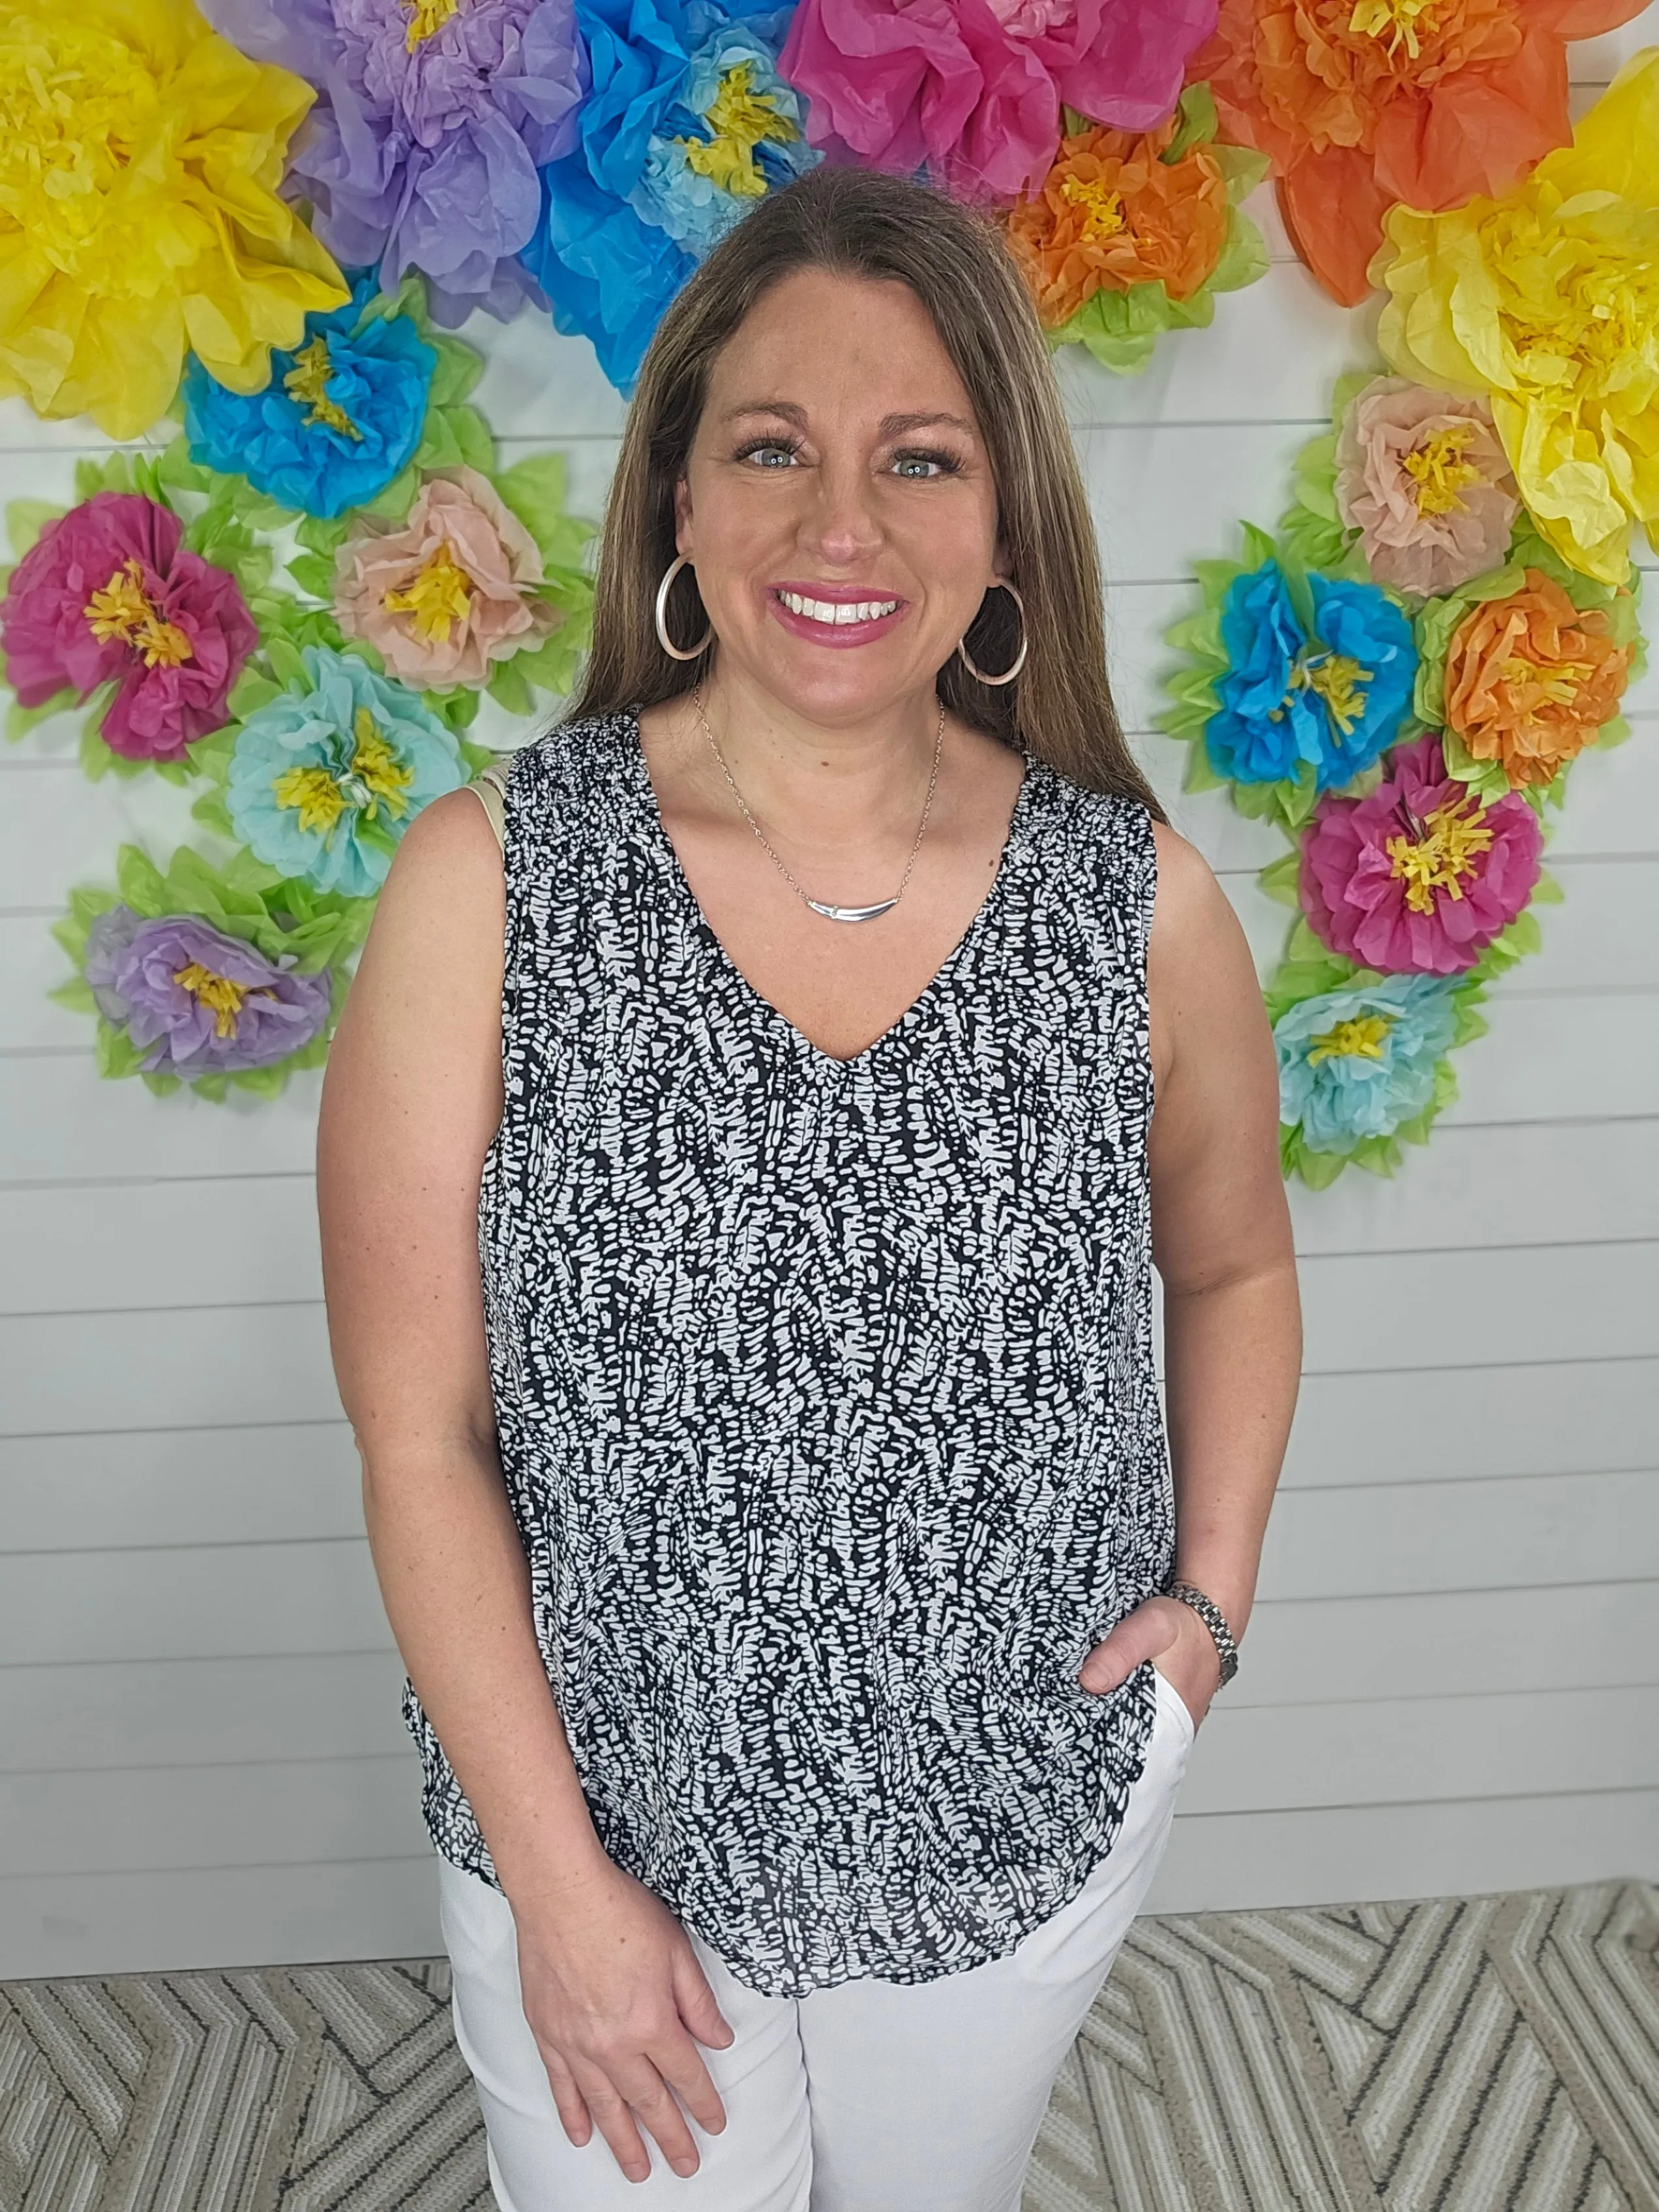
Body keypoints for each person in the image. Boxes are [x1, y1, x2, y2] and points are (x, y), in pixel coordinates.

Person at [317, 164, 1301, 2212]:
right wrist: (567, 1903)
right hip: (602, 1842)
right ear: (678, 498)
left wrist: (1206, 1617)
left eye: (918, 460)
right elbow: (419, 1440)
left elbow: (1230, 1267)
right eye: (771, 447)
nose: (841, 527)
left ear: (1003, 521)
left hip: (1015, 1814)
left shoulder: (1138, 908)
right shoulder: (490, 887)